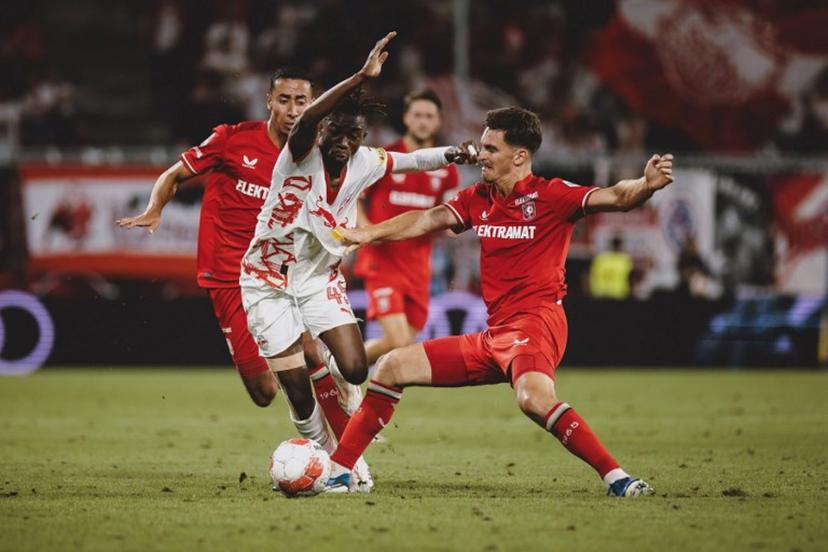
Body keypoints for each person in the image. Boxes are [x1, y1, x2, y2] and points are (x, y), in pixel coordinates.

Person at [327, 107, 675, 497]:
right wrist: (368, 234)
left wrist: (646, 185)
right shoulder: (480, 197)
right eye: (482, 146)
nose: (481, 155)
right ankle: (339, 472)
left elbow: (618, 196)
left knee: (533, 399)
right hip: (494, 336)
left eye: (491, 149)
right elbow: (427, 219)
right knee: (391, 366)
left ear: (520, 156)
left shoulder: (552, 195)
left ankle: (619, 479)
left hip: (537, 323)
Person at [239, 31, 476, 490]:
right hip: (266, 280)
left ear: (362, 139)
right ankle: (331, 461)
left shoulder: (366, 161)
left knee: (354, 367)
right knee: (297, 390)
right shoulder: (297, 154)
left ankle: (333, 402)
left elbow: (413, 160)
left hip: (316, 279)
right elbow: (310, 115)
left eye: (354, 136)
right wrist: (360, 77)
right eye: (337, 132)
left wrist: (456, 154)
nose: (344, 143)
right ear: (321, 131)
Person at [116, 68, 358, 463]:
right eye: (284, 100)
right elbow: (174, 174)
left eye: (301, 101)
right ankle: (327, 396)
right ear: (268, 101)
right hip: (230, 276)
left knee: (309, 351)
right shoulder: (232, 139)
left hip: (283, 273)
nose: (292, 110)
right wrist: (155, 208)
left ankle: (346, 456)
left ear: (312, 105)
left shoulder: (315, 152)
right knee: (264, 392)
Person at [355, 89, 459, 364]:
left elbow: (450, 218)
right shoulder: (385, 158)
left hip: (418, 267)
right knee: (399, 341)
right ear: (406, 118)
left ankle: (344, 367)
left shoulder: (448, 170)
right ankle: (343, 366)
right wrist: (366, 230)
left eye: (429, 116)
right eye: (418, 115)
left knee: (402, 345)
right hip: (382, 261)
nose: (423, 121)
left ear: (438, 121)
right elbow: (355, 199)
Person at [589, 234, 633, 299]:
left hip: (609, 293)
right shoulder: (624, 259)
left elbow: (630, 277)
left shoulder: (601, 258)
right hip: (608, 293)